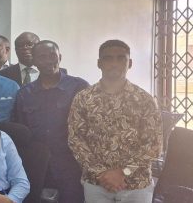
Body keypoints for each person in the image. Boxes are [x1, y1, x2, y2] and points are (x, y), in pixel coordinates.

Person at [68, 39, 161, 203]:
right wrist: (101, 173)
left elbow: (154, 145)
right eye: (108, 58)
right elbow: (76, 139)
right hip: (97, 184)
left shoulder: (144, 100)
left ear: (130, 63)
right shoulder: (83, 98)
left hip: (136, 185)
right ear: (99, 63)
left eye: (121, 58)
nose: (114, 63)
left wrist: (123, 172)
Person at [12, 40, 89, 202]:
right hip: (38, 168)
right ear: (34, 61)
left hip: (72, 166)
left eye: (52, 55)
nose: (48, 61)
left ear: (60, 57)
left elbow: (91, 127)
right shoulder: (24, 94)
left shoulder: (79, 87)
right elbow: (22, 134)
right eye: (42, 57)